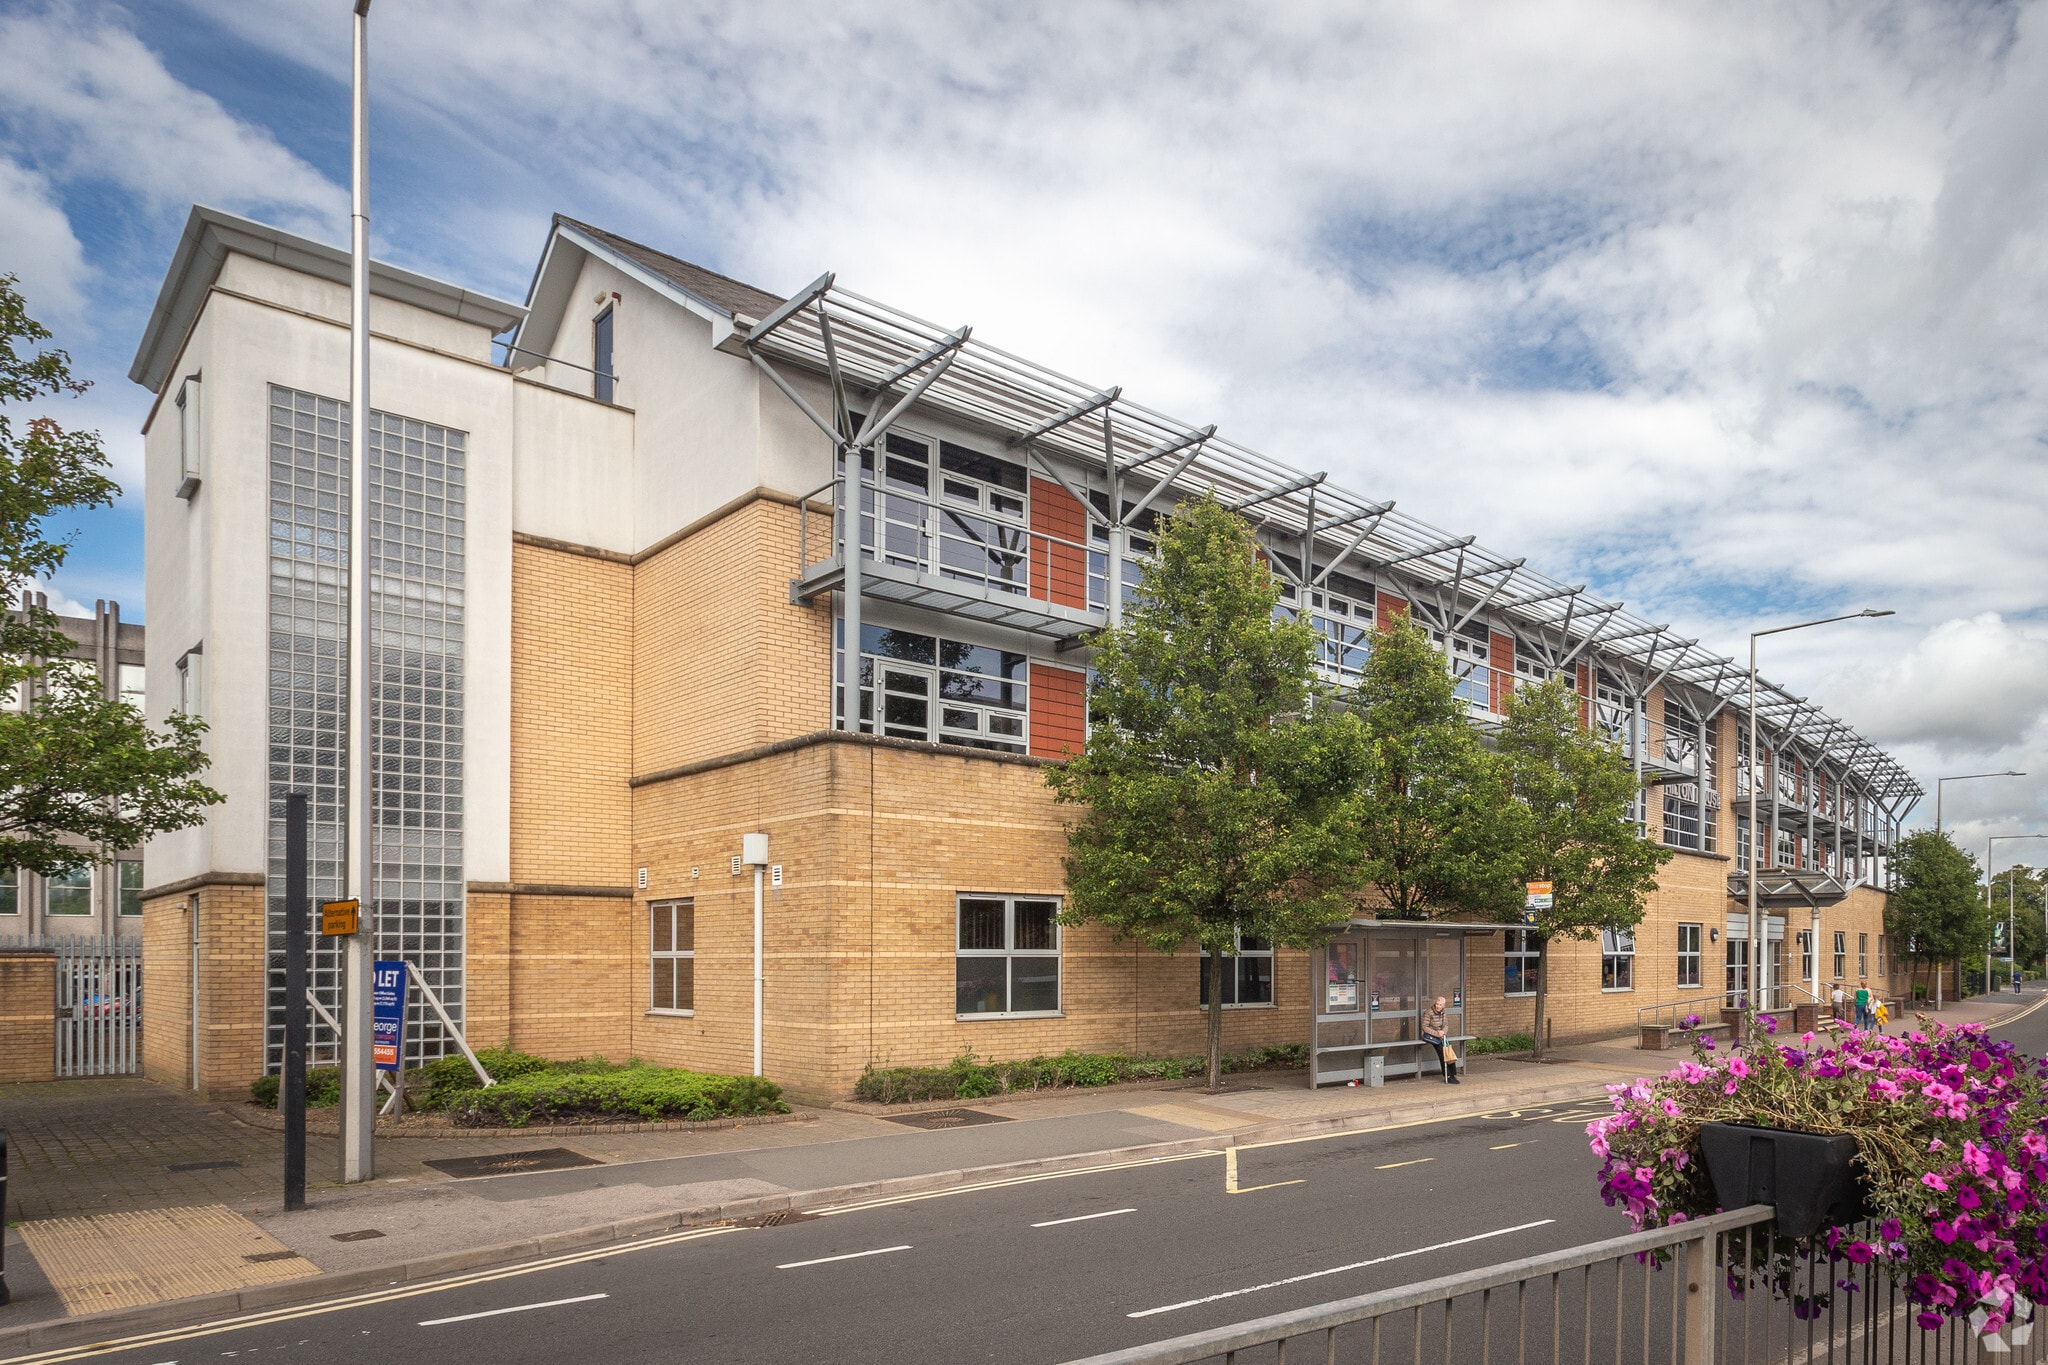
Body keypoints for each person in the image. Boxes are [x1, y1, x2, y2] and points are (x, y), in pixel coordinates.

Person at [1420, 995, 1458, 1084]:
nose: (1438, 1006)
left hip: (1441, 1036)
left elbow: (1446, 1025)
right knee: (1443, 1053)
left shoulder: (1443, 1012)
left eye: (1440, 1005)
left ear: (1443, 1006)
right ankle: (1448, 1076)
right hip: (1430, 1036)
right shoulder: (1429, 1012)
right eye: (1437, 1004)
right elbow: (1424, 1027)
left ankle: (1453, 1074)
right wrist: (1437, 1033)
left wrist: (1443, 1032)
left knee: (1449, 1051)